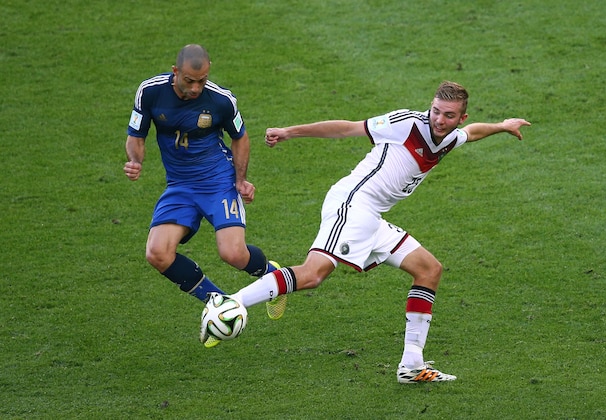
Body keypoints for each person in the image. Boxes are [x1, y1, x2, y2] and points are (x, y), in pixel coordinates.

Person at [223, 81, 530, 382]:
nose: (439, 119)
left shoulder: (449, 137)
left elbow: (472, 133)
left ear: (459, 118)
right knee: (314, 274)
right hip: (352, 203)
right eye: (436, 111)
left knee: (428, 270)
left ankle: (412, 365)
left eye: (449, 115)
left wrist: (502, 125)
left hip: (372, 217)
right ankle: (232, 302)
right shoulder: (407, 123)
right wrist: (290, 132)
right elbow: (347, 128)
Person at [123, 44, 286, 347]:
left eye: (202, 80)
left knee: (233, 254)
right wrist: (135, 160)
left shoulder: (222, 100)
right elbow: (137, 136)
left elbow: (240, 139)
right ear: (176, 72)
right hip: (180, 186)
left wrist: (241, 180)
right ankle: (218, 304)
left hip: (217, 182)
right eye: (189, 81)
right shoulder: (150, 92)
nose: (196, 87)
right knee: (157, 253)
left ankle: (271, 273)